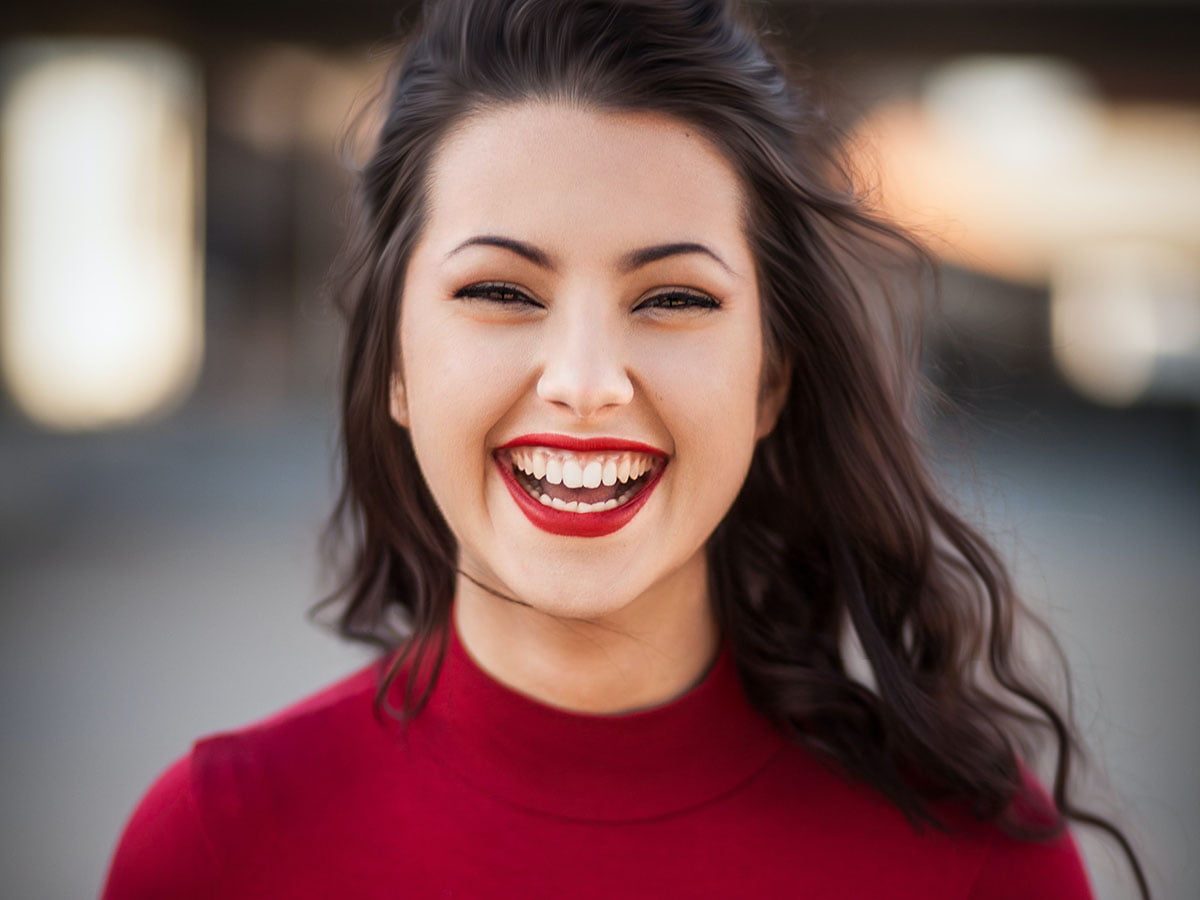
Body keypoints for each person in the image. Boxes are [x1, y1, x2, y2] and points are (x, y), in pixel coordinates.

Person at [100, 0, 1149, 897]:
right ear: (396, 366)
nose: (588, 383)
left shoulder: (974, 859)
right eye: (501, 292)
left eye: (675, 298)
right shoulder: (219, 847)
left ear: (771, 377)